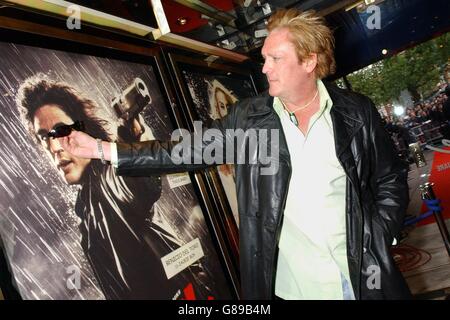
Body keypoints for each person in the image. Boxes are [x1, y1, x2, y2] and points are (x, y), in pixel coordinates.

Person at [57, 9, 411, 300]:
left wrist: (382, 233)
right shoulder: (250, 118)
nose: (265, 67)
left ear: (309, 62)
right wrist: (103, 149)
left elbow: (388, 178)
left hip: (362, 277)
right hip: (292, 289)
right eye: (264, 58)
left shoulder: (356, 112)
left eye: (276, 58)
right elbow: (183, 151)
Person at [16, 74, 210, 299]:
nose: (53, 147)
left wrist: (130, 134)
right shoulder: (85, 206)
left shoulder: (108, 178)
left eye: (60, 131)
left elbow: (140, 182)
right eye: (44, 137)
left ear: (84, 130)